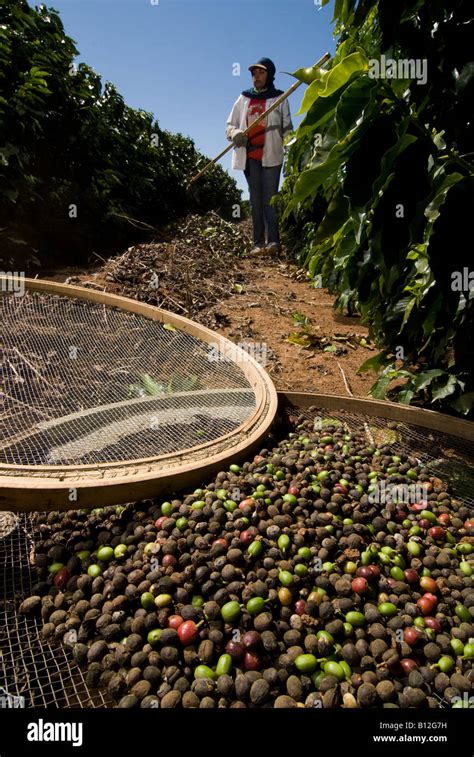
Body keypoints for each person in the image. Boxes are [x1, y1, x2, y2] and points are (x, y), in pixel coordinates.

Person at [226, 57, 293, 256]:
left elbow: (288, 128)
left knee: (269, 200)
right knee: (255, 200)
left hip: (271, 155)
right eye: (254, 73)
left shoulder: (279, 98)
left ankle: (273, 242)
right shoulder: (244, 98)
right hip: (250, 157)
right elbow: (230, 125)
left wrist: (291, 149)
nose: (256, 76)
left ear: (269, 75)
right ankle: (257, 244)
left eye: (261, 72)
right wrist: (235, 133)